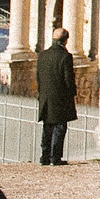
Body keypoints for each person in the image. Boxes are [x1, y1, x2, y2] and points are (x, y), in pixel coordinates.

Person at [37, 28, 77, 166]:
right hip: (60, 98)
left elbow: (38, 78)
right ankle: (55, 157)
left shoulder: (42, 55)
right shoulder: (65, 57)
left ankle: (44, 157)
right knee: (59, 128)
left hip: (45, 97)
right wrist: (72, 94)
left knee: (47, 127)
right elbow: (68, 79)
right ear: (66, 41)